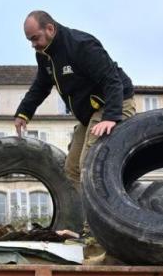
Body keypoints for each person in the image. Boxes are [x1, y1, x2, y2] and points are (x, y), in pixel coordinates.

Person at [15, 10, 136, 187]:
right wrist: (23, 113)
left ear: (50, 28)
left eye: (35, 38)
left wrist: (111, 117)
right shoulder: (44, 55)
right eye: (29, 40)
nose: (33, 45)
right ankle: (86, 214)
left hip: (115, 103)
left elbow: (111, 79)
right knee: (73, 169)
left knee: (90, 163)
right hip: (90, 113)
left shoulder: (81, 45)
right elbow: (41, 85)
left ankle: (109, 212)